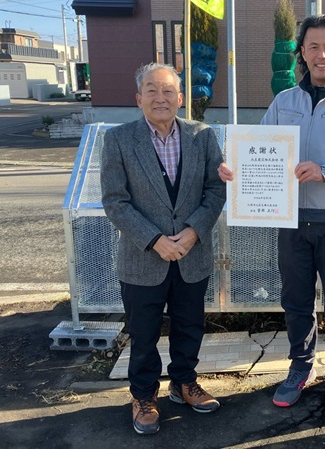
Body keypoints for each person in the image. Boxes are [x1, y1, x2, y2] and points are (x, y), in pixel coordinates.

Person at [218, 14, 325, 413]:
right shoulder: (284, 101)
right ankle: (300, 365)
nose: (321, 54)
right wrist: (234, 168)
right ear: (302, 54)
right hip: (289, 218)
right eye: (313, 47)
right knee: (295, 299)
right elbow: (259, 147)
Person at [101, 62, 226, 435]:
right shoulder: (119, 139)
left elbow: (215, 189)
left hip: (192, 253)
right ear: (138, 98)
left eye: (168, 90)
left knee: (190, 326)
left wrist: (193, 232)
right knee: (143, 334)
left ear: (180, 98)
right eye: (152, 90)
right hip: (143, 257)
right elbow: (115, 201)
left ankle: (184, 383)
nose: (161, 98)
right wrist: (155, 239)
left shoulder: (202, 136)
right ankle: (143, 396)